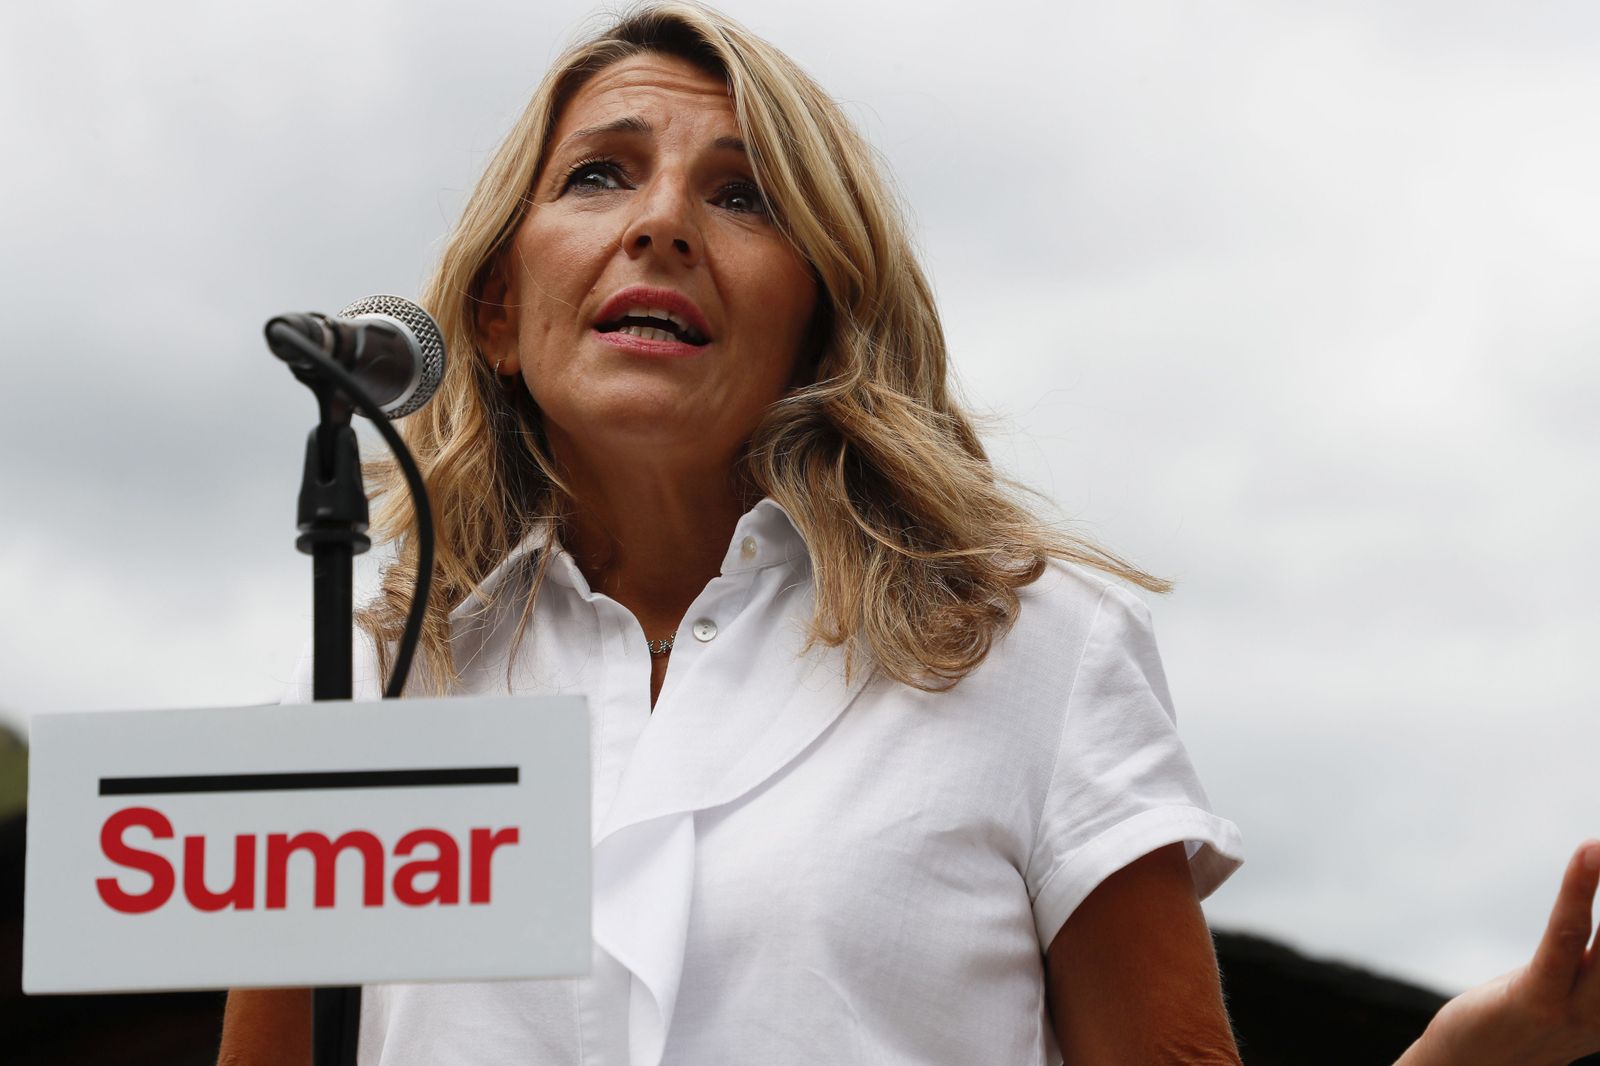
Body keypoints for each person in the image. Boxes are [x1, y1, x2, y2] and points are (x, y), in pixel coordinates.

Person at [221, 4, 1600, 1063]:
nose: (663, 223)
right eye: (598, 175)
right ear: (498, 316)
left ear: (820, 320)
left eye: (743, 195)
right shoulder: (361, 692)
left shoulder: (1032, 649)